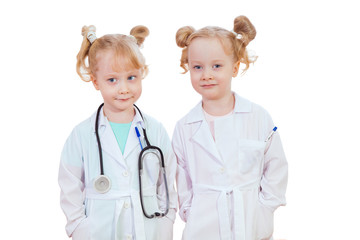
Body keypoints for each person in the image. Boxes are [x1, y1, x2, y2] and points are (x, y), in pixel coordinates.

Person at [172, 15, 288, 240]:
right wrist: (190, 210)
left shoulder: (258, 117)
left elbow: (276, 166)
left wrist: (264, 209)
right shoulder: (184, 127)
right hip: (203, 228)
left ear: (234, 68)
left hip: (251, 225)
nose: (206, 75)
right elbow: (181, 176)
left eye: (216, 66)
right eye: (197, 67)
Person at [58, 25, 177, 240]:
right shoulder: (82, 134)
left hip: (149, 230)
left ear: (142, 74)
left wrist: (165, 224)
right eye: (112, 80)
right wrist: (79, 228)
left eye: (131, 77)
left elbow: (167, 184)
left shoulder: (155, 130)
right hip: (99, 231)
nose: (123, 89)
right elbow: (69, 185)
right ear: (96, 82)